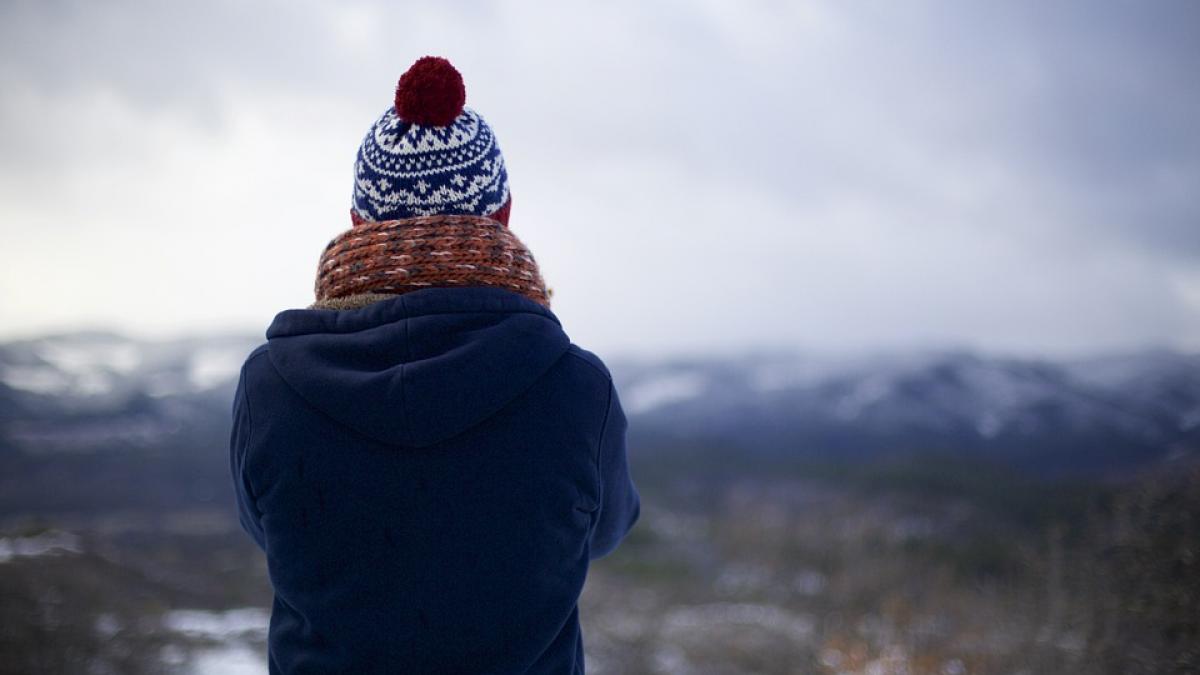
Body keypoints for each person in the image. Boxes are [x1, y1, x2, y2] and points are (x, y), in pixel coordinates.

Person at [229, 56, 640, 674]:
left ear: (358, 222)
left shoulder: (271, 388)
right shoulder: (579, 390)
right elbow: (605, 531)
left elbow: (267, 530)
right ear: (502, 216)